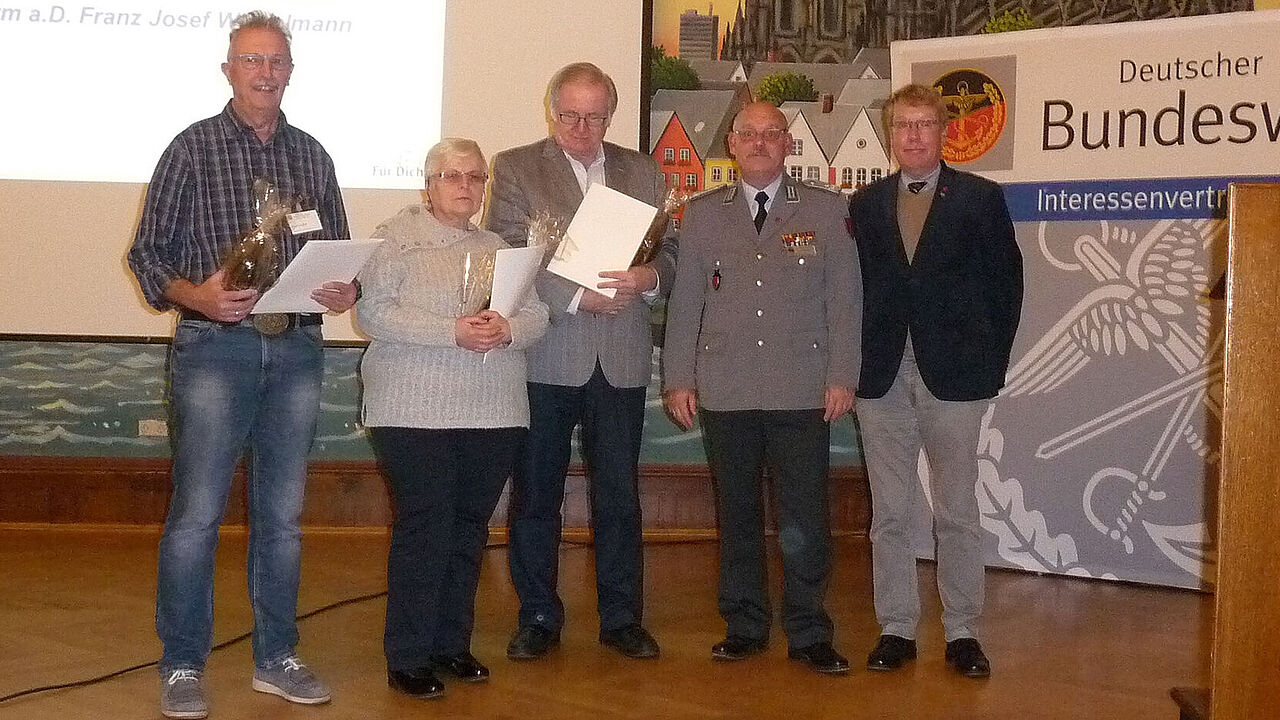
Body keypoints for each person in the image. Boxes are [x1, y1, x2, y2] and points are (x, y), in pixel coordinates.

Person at [127, 11, 356, 719]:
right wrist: (195, 293)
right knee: (196, 514)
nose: (265, 73)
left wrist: (348, 286)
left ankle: (276, 657)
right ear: (228, 69)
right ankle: (183, 663)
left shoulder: (311, 155)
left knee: (283, 518)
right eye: (251, 60)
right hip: (213, 351)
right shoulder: (191, 149)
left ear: (291, 71)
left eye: (277, 61)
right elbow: (146, 254)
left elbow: (339, 248)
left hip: (295, 348)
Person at [662, 101, 861, 675]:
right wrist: (679, 378)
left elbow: (845, 302)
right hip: (726, 389)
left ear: (788, 145)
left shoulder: (826, 211)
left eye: (771, 135)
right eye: (748, 134)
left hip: (801, 388)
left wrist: (843, 375)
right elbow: (687, 305)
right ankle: (745, 624)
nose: (759, 143)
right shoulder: (701, 215)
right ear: (731, 142)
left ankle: (808, 631)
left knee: (804, 517)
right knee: (738, 514)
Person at [485, 62, 675, 661]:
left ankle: (623, 618)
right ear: (552, 110)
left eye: (594, 116)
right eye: (569, 114)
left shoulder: (643, 170)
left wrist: (650, 277)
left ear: (610, 116)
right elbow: (509, 254)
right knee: (536, 495)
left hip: (619, 357)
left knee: (620, 496)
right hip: (546, 354)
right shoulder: (516, 168)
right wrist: (574, 296)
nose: (581, 126)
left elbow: (668, 250)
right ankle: (538, 614)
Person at [357, 138, 549, 699]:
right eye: (451, 176)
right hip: (412, 408)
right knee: (426, 526)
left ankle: (451, 645)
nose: (465, 186)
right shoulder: (395, 239)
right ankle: (409, 654)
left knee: (469, 530)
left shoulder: (500, 248)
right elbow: (373, 312)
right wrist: (453, 331)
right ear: (428, 184)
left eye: (475, 177)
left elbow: (535, 315)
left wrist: (507, 329)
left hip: (494, 408)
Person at [847, 83, 1023, 679]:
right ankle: (896, 627)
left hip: (956, 379)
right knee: (891, 513)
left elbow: (1007, 290)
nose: (914, 135)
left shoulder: (980, 199)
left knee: (956, 512)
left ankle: (962, 630)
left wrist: (988, 366)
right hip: (882, 378)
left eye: (924, 124)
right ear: (890, 134)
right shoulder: (865, 205)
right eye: (903, 126)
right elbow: (855, 294)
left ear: (944, 132)